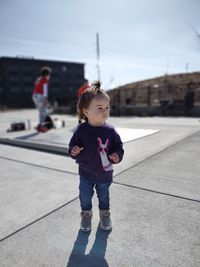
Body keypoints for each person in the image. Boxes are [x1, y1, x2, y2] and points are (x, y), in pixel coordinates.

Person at [69, 80, 124, 232]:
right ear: (86, 111)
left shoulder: (110, 131)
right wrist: (73, 150)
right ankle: (86, 215)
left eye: (107, 107)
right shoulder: (81, 130)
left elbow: (119, 147)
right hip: (85, 174)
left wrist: (117, 155)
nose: (105, 111)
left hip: (104, 175)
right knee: (85, 197)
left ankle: (105, 215)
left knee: (104, 197)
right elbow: (72, 145)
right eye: (99, 108)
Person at [32, 66, 52, 132]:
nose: (49, 76)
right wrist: (46, 98)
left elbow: (36, 87)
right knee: (44, 112)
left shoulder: (38, 79)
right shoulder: (45, 79)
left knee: (41, 111)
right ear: (47, 74)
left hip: (35, 96)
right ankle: (40, 126)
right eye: (49, 74)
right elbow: (45, 88)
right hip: (40, 96)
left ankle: (39, 125)